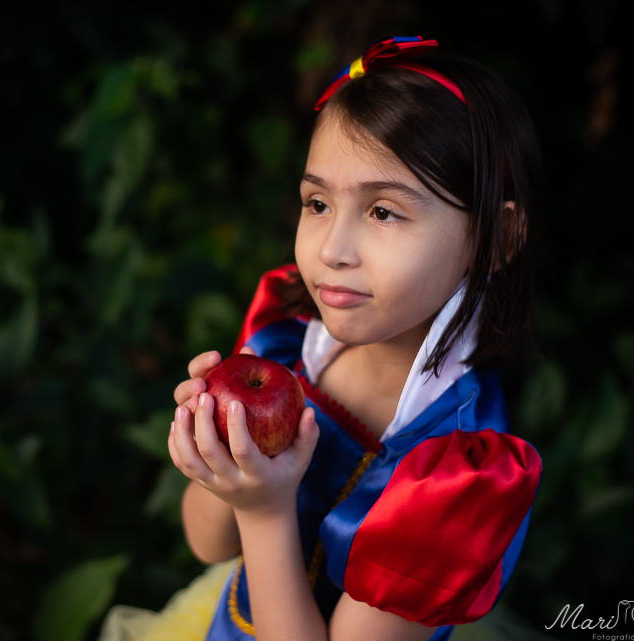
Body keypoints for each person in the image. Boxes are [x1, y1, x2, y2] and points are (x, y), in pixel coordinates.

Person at [101, 35, 543, 641]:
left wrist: (265, 512)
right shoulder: (282, 344)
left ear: (497, 239)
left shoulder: (459, 475)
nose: (331, 251)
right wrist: (216, 457)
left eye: (383, 212)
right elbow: (206, 543)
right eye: (317, 203)